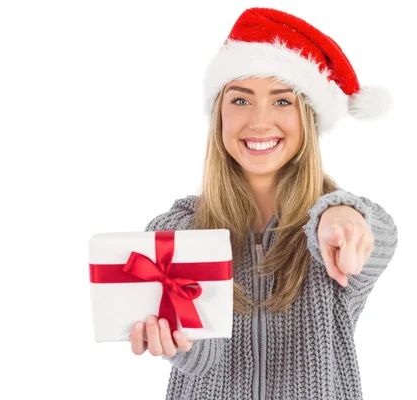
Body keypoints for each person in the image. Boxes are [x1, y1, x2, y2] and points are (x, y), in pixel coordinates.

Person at [129, 7, 398, 400]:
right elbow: (204, 359)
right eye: (240, 100)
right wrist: (180, 341)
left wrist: (341, 212)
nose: (258, 122)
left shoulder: (333, 233)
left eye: (282, 101)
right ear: (219, 113)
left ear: (308, 117)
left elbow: (378, 238)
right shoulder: (182, 229)